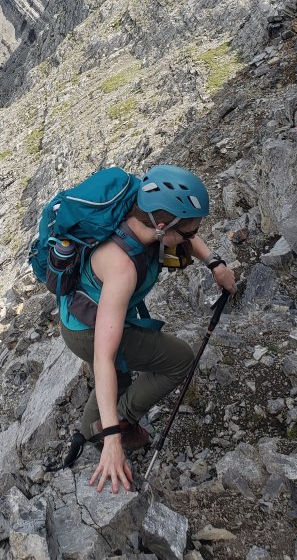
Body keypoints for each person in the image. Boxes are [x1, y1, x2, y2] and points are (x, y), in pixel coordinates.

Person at [58, 164, 236, 494]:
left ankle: (91, 430)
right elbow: (103, 358)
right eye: (188, 234)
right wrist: (113, 440)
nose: (192, 238)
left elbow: (185, 231)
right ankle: (108, 430)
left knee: (121, 378)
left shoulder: (142, 210)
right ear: (163, 227)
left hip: (86, 317)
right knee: (180, 359)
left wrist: (214, 262)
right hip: (89, 332)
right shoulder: (121, 267)